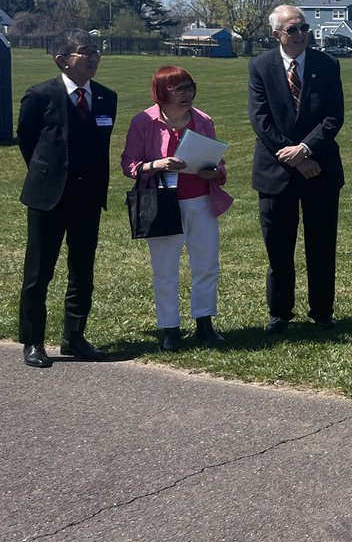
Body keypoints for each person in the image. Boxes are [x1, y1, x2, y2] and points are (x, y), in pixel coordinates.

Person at [17, 30, 117, 368]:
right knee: (38, 273)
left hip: (87, 199)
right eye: (84, 52)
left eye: (95, 50)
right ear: (62, 60)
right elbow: (27, 141)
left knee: (82, 271)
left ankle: (74, 337)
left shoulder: (106, 97)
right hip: (48, 198)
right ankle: (33, 341)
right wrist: (50, 175)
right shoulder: (40, 95)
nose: (93, 57)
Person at [121, 67, 233, 351]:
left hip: (201, 200)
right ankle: (170, 327)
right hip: (161, 202)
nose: (187, 94)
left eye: (190, 87)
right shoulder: (144, 121)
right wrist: (156, 164)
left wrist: (214, 172)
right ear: (161, 92)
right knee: (165, 268)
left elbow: (218, 163)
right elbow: (129, 164)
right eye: (179, 89)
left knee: (206, 264)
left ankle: (204, 322)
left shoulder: (203, 120)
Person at [248, 5, 345, 334]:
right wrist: (294, 157)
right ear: (277, 35)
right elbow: (260, 121)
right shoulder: (260, 66)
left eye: (305, 28)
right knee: (278, 246)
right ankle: (280, 313)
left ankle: (322, 311)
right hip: (276, 172)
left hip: (320, 169)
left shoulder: (327, 65)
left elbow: (334, 117)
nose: (302, 34)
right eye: (293, 29)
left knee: (321, 244)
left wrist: (305, 150)